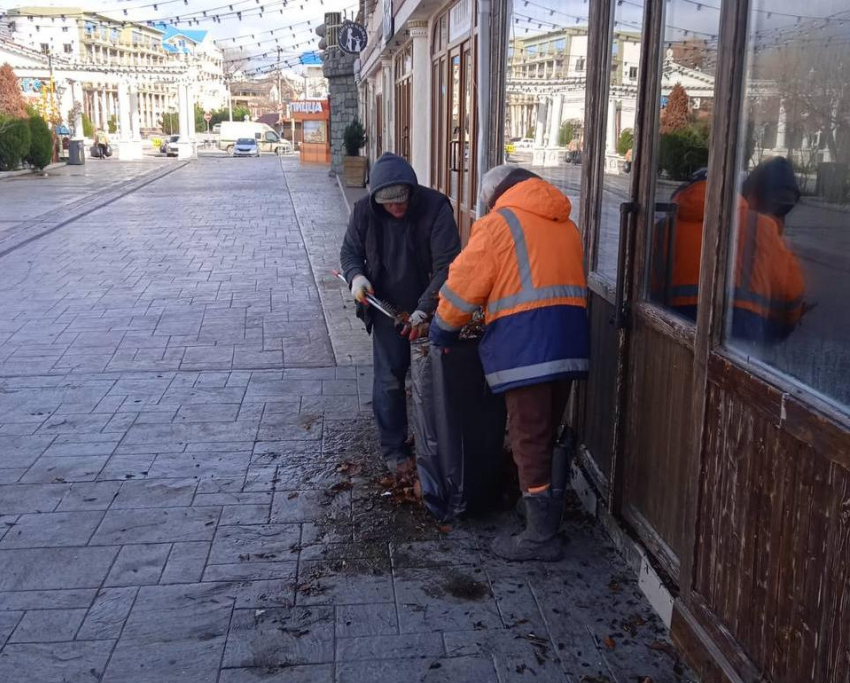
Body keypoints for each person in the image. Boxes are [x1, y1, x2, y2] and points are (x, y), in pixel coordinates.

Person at [429, 165, 589, 562]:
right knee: (547, 428)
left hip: (527, 344)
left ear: (493, 196)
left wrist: (442, 330)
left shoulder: (499, 224)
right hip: (569, 340)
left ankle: (540, 536)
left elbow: (464, 287)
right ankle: (541, 507)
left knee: (527, 435)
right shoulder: (564, 221)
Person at [340, 152, 461, 473]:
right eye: (388, 204)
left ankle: (437, 448)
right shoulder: (365, 211)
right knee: (389, 378)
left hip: (430, 306)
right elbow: (349, 251)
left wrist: (424, 310)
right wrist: (356, 277)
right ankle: (394, 449)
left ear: (412, 191)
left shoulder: (435, 208)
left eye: (401, 202)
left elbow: (448, 266)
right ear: (377, 200)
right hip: (387, 308)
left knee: (434, 379)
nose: (396, 208)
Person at [650, 158, 807, 344]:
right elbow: (791, 295)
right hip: (742, 336)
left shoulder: (662, 229)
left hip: (672, 328)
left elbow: (645, 285)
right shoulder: (760, 226)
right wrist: (787, 322)